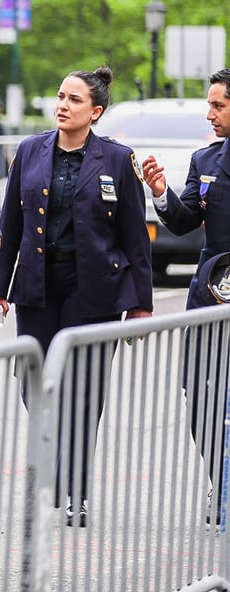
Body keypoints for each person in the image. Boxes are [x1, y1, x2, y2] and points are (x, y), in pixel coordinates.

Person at [0, 67, 152, 526]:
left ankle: (76, 488)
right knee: (33, 383)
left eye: (75, 100)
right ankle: (54, 460)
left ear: (95, 112)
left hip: (95, 290)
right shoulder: (30, 150)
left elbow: (135, 235)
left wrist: (140, 303)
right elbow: (10, 230)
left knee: (83, 388)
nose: (63, 105)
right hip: (38, 284)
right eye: (60, 96)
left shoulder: (117, 159)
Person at [142, 67, 230, 523]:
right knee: (198, 392)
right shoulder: (206, 160)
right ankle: (220, 478)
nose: (209, 113)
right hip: (209, 298)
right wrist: (161, 192)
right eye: (209, 104)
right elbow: (181, 221)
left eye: (219, 105)